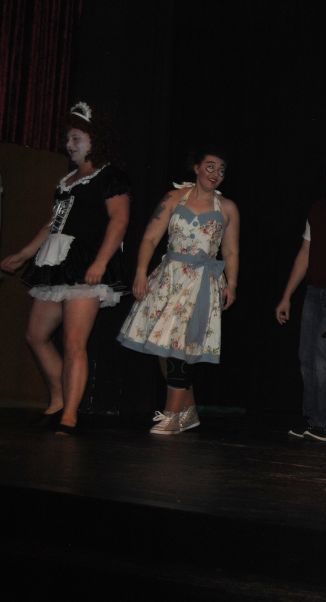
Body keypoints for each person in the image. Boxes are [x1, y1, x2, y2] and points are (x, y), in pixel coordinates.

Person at [1, 101, 130, 434]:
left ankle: (69, 416)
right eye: (68, 139)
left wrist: (101, 262)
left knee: (74, 343)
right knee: (36, 335)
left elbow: (119, 221)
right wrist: (24, 254)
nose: (69, 145)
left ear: (93, 140)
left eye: (76, 138)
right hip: (57, 263)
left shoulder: (109, 176)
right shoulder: (67, 181)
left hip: (86, 263)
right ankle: (59, 398)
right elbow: (53, 224)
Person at [118, 147, 239, 435]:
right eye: (210, 167)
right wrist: (140, 272)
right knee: (163, 346)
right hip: (170, 278)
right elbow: (150, 238)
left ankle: (172, 415)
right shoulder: (174, 198)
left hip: (201, 283)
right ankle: (188, 410)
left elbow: (231, 251)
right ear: (196, 168)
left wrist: (232, 284)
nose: (216, 174)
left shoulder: (227, 208)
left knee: (180, 348)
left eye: (221, 170)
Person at [275, 151, 326, 442]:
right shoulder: (318, 208)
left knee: (324, 352)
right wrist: (286, 296)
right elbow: (305, 253)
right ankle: (313, 420)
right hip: (314, 290)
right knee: (306, 356)